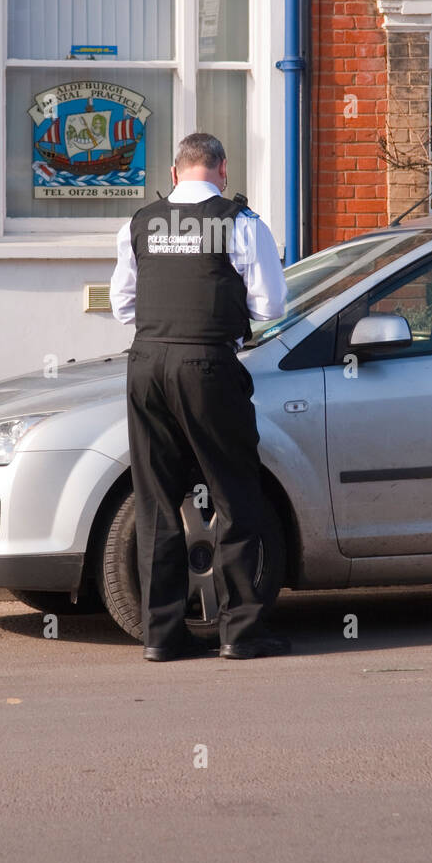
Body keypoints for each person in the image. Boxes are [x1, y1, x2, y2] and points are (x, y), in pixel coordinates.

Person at [109, 132, 289, 662]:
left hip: (146, 364)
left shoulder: (139, 222)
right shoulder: (241, 223)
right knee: (235, 494)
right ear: (222, 170)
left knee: (155, 499)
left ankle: (161, 636)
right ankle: (241, 632)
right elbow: (271, 305)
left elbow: (123, 306)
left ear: (174, 173)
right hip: (208, 364)